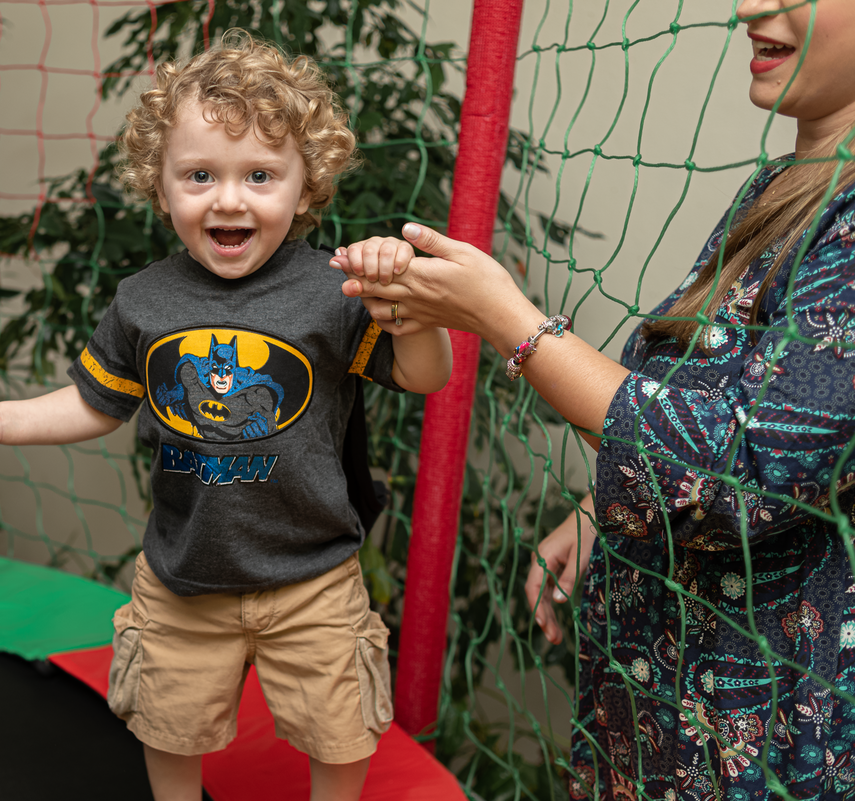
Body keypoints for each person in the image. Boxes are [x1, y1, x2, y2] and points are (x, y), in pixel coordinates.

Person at [332, 0, 855, 796]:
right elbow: (726, 394)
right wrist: (597, 502)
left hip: (771, 747)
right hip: (666, 721)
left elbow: (745, 469)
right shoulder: (781, 188)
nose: (751, 6)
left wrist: (510, 322)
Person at [0, 31, 452, 801]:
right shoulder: (144, 300)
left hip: (312, 575)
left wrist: (410, 309)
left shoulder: (330, 289)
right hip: (183, 575)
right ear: (161, 184)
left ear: (305, 187)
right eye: (200, 174)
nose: (229, 198)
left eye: (261, 175)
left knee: (341, 722)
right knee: (165, 722)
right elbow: (94, 400)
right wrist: (1, 418)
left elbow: (424, 374)